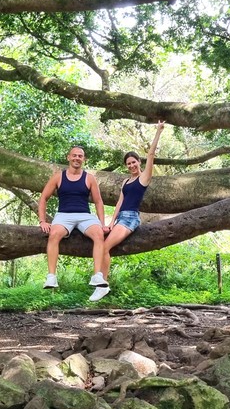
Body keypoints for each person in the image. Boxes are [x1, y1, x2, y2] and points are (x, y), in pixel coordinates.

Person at [90, 121, 165, 301]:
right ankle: (101, 281)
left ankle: (102, 284)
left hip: (131, 218)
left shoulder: (144, 178)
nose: (131, 165)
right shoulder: (125, 182)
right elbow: (119, 203)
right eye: (128, 163)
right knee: (101, 243)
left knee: (105, 246)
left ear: (139, 162)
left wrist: (158, 131)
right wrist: (110, 223)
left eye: (133, 162)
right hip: (121, 218)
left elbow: (151, 153)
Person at [37, 145, 108, 290]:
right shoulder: (58, 176)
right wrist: (42, 221)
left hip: (85, 216)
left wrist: (102, 223)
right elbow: (43, 197)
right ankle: (51, 277)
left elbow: (98, 201)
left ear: (84, 159)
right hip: (64, 215)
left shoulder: (89, 178)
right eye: (74, 155)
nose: (77, 158)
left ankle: (97, 275)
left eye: (80, 156)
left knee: (99, 234)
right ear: (68, 157)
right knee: (54, 234)